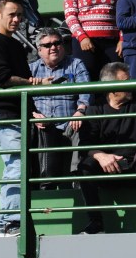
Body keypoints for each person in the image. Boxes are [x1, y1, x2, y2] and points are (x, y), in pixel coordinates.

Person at [0, 0, 52, 237]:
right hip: (5, 114)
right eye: (12, 14)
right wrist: (33, 82)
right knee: (16, 166)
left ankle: (8, 223)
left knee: (18, 167)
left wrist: (31, 108)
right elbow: (1, 77)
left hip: (18, 112)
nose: (17, 19)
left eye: (20, 15)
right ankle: (10, 223)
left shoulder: (15, 44)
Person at [77, 62, 136, 234]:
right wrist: (101, 156)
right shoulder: (95, 108)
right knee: (85, 167)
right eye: (126, 81)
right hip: (106, 167)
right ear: (111, 88)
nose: (131, 84)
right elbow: (86, 143)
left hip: (134, 162)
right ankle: (96, 223)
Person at [29, 27, 90, 186]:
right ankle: (46, 185)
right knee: (37, 130)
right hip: (44, 126)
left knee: (82, 125)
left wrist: (80, 110)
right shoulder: (31, 69)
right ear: (39, 49)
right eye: (47, 45)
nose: (53, 47)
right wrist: (33, 114)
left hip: (71, 123)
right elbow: (23, 98)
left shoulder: (75, 64)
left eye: (57, 43)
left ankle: (77, 180)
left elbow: (86, 91)